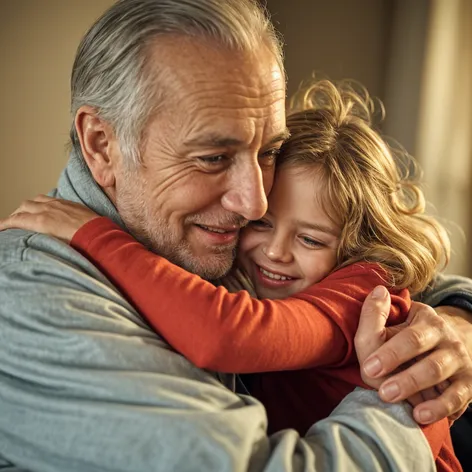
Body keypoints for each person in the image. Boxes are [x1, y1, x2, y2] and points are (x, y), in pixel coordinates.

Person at [1, 1, 472, 471]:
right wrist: (409, 396)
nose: (255, 205)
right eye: (213, 158)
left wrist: (454, 325)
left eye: (268, 151)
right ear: (102, 145)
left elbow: (386, 283)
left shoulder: (198, 236)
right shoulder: (30, 300)